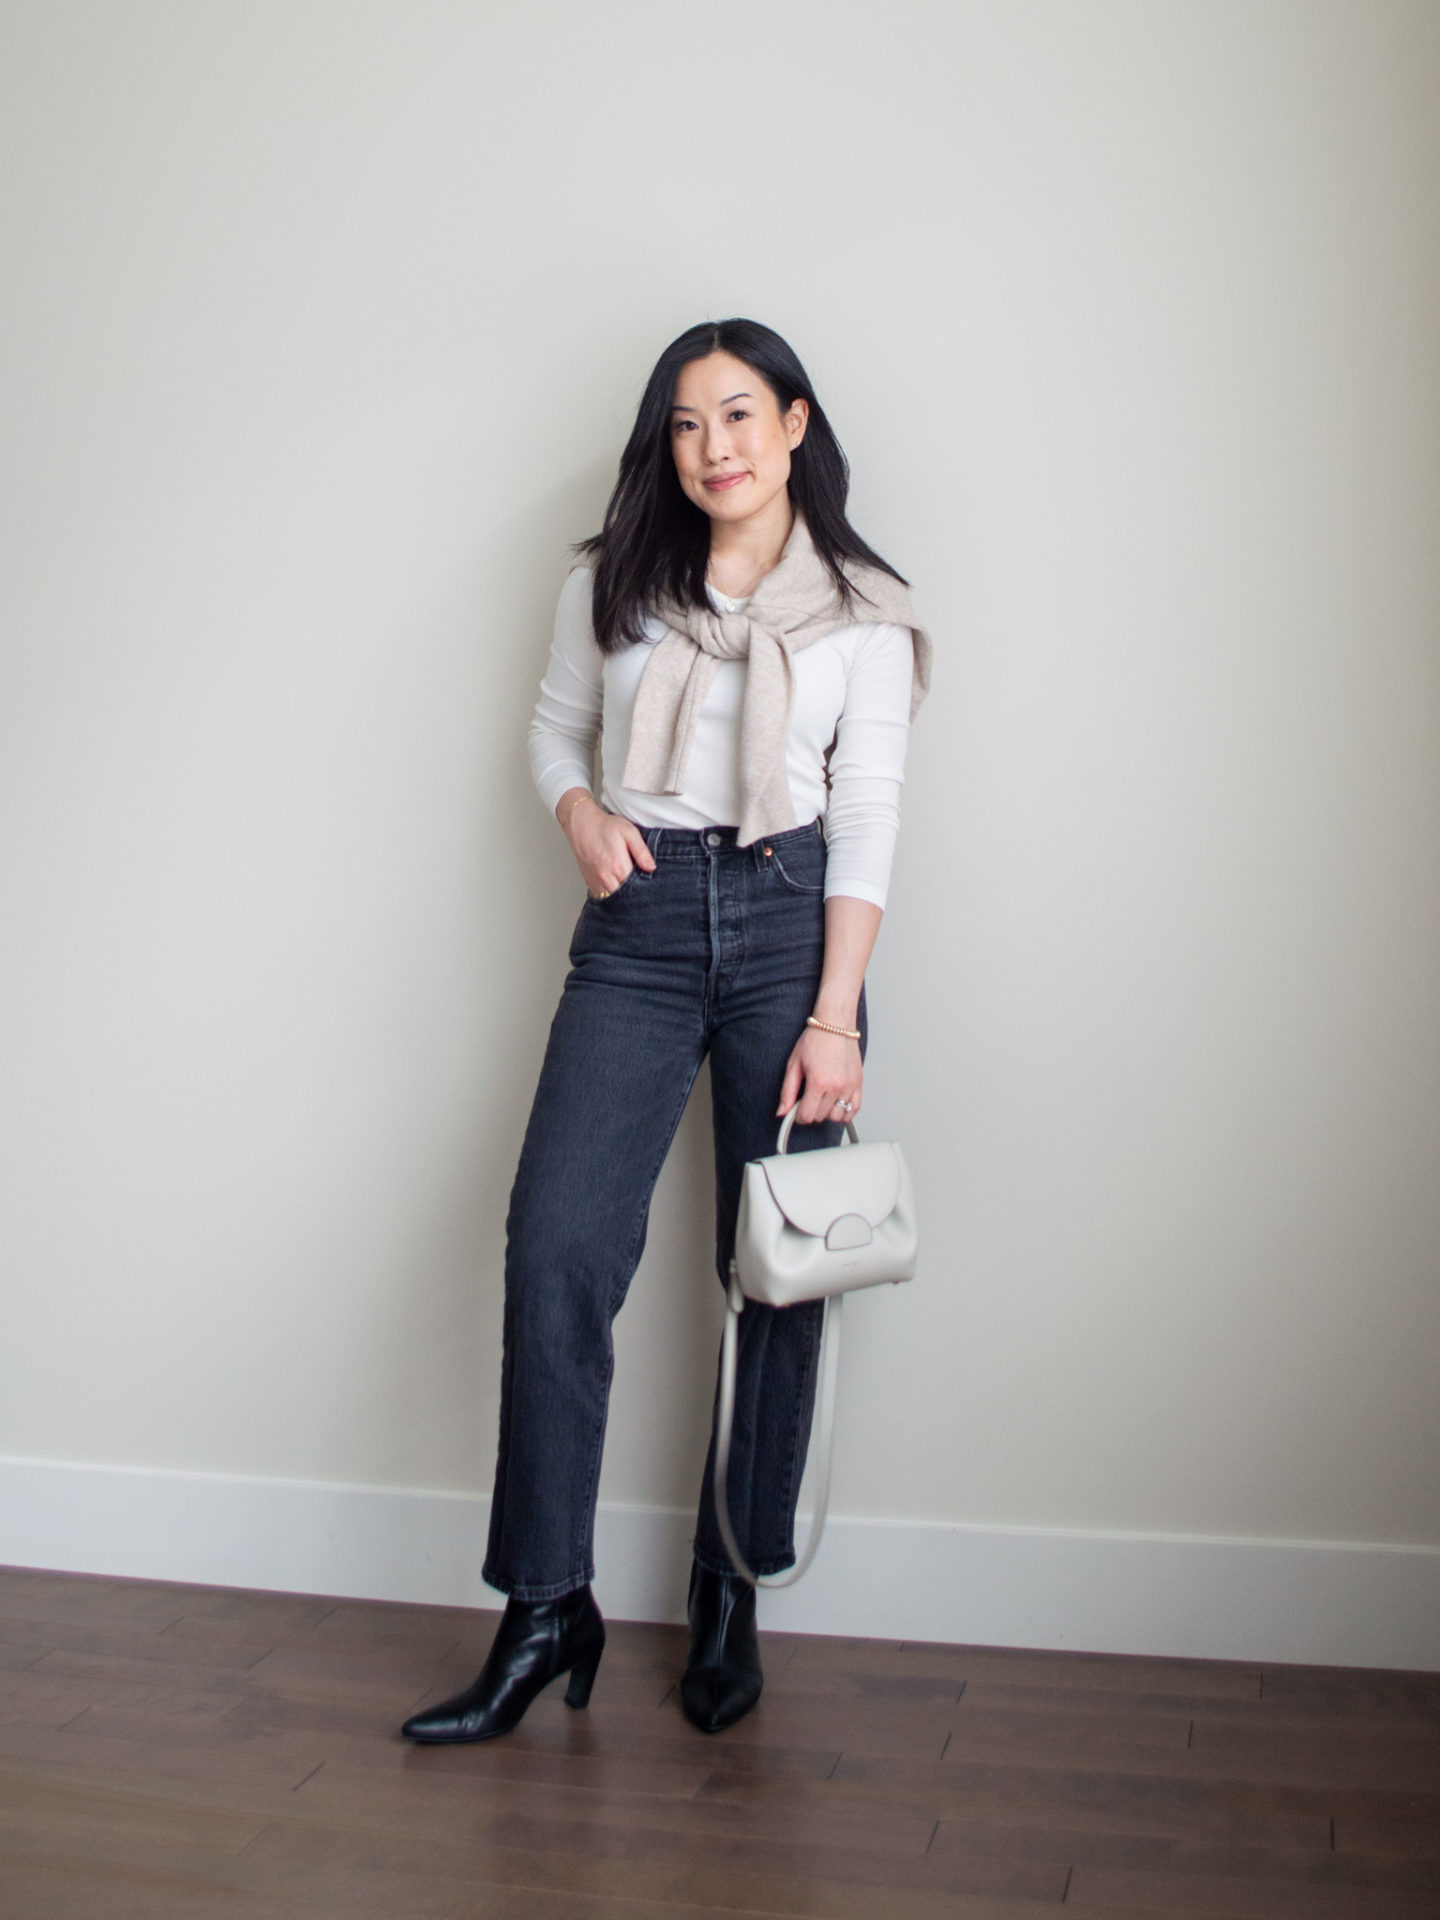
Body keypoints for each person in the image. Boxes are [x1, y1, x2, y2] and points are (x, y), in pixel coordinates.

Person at [401, 318, 928, 1745]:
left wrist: (835, 1014)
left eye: (741, 416)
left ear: (797, 426)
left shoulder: (863, 612)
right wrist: (578, 814)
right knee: (560, 1241)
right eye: (689, 424)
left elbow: (868, 815)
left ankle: (731, 1583)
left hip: (788, 928)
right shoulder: (611, 583)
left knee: (772, 1274)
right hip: (636, 931)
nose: (717, 449)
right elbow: (554, 732)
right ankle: (545, 1605)